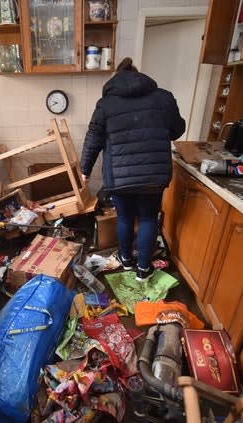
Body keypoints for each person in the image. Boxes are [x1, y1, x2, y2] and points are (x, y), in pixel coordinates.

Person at [80, 57, 185, 282]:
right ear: (139, 75)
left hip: (120, 177)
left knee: (125, 218)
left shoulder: (106, 104)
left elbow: (93, 139)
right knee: (148, 218)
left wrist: (84, 169)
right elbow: (177, 130)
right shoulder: (164, 98)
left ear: (116, 77)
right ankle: (144, 270)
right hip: (154, 177)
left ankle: (126, 260)